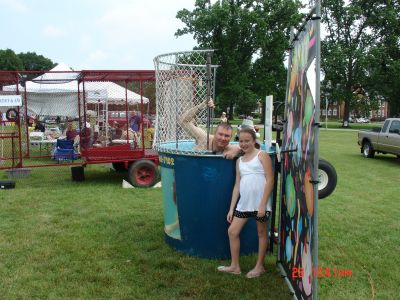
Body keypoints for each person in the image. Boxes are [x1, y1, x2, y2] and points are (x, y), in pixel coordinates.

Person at [217, 127, 274, 278]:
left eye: (247, 141)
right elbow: (237, 185)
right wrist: (231, 209)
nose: (244, 144)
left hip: (260, 205)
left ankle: (259, 266)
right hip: (244, 204)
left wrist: (262, 205)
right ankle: (235, 266)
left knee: (261, 232)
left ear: (254, 141)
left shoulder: (262, 155)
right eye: (241, 141)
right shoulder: (239, 161)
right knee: (232, 231)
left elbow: (270, 180)